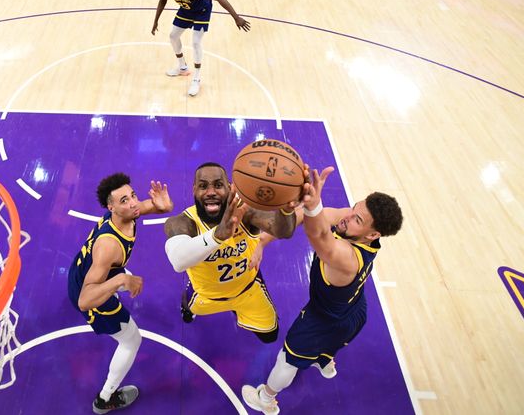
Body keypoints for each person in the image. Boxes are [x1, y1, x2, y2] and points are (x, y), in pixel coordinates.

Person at [241, 166, 403, 415]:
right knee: (330, 346)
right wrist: (263, 240)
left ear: (373, 234)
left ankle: (266, 399)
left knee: (287, 360)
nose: (347, 217)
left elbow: (318, 235)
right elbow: (306, 218)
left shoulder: (347, 259)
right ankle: (324, 361)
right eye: (354, 208)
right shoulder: (353, 226)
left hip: (321, 320)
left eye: (357, 219)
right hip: (354, 310)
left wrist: (313, 204)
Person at [67, 173, 173, 414]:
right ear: (110, 207)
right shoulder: (109, 246)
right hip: (89, 292)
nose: (134, 203)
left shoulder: (124, 215)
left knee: (121, 276)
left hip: (82, 271)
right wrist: (120, 280)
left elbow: (148, 206)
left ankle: (117, 279)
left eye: (133, 195)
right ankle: (105, 399)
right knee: (131, 341)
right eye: (124, 200)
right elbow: (85, 301)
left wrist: (164, 207)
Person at [163, 162, 299, 344]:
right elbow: (178, 262)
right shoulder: (181, 222)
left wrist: (286, 209)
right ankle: (187, 306)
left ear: (229, 187)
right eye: (203, 186)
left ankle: (236, 309)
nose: (211, 191)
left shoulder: (246, 212)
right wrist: (218, 235)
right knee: (189, 308)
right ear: (194, 190)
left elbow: (284, 231)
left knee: (270, 337)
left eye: (218, 185)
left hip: (248, 290)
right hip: (207, 296)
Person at [151, 0, 251, 97]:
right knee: (173, 36)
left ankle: (196, 78)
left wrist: (236, 17)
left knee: (196, 42)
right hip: (186, 9)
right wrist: (156, 20)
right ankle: (182, 67)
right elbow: (163, 0)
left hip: (202, 11)